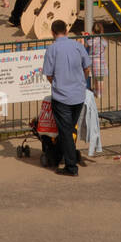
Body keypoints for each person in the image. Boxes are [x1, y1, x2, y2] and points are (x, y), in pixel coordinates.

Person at [42, 20, 91, 176]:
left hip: (62, 96)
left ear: (52, 32)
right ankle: (59, 156)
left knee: (66, 132)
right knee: (68, 129)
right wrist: (81, 82)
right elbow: (87, 67)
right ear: (67, 30)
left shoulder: (52, 49)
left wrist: (57, 84)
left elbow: (49, 75)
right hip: (78, 95)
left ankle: (71, 166)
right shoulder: (78, 46)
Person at [86, 21, 108, 98]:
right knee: (100, 78)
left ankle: (96, 91)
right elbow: (105, 46)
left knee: (95, 78)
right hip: (101, 61)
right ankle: (99, 92)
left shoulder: (92, 41)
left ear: (92, 31)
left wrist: (84, 37)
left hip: (93, 61)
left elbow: (86, 44)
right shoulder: (103, 41)